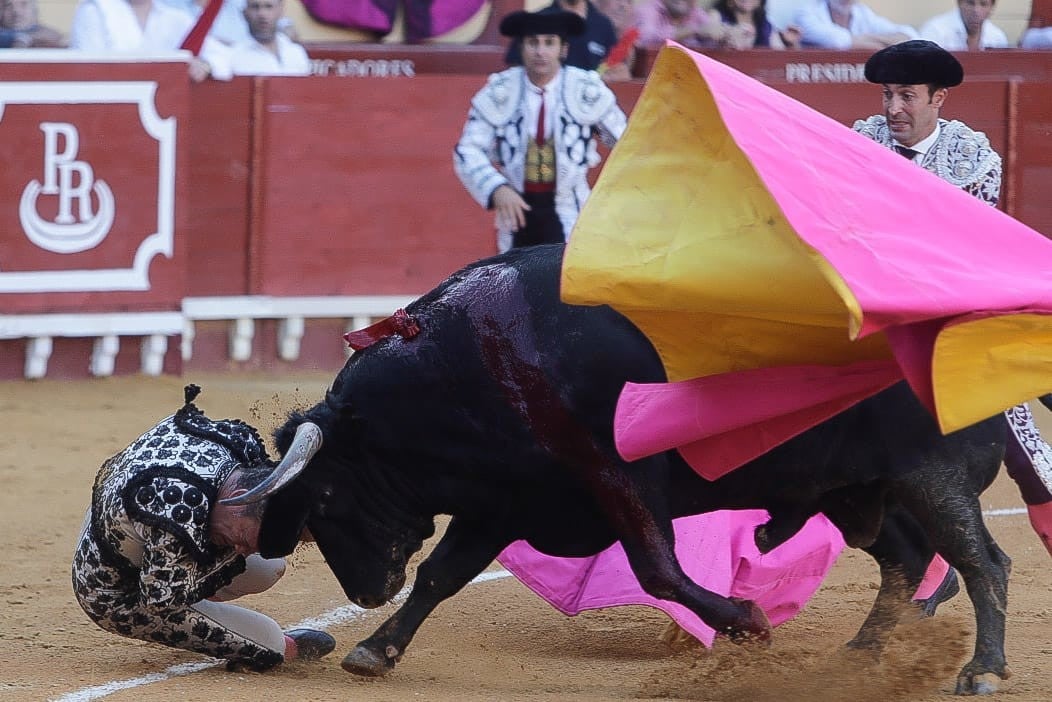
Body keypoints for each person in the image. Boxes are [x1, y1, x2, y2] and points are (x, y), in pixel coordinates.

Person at [853, 39, 1052, 563]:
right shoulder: (860, 140)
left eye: (908, 97)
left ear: (939, 99)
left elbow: (954, 247)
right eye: (887, 95)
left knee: (1014, 433)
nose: (893, 109)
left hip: (953, 307)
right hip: (875, 306)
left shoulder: (973, 158)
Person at [72, 385, 336, 671]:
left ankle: (205, 604)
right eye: (246, 537)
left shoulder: (240, 455)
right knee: (269, 647)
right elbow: (159, 600)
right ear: (237, 502)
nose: (241, 549)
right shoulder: (177, 509)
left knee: (268, 568)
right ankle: (280, 646)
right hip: (112, 589)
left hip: (120, 516)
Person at [454, 9, 628, 253]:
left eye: (549, 43)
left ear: (562, 49)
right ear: (521, 48)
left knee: (565, 283)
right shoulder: (500, 91)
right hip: (516, 208)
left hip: (571, 206)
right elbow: (467, 150)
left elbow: (627, 143)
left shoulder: (585, 89)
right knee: (514, 284)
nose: (540, 51)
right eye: (532, 42)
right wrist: (497, 188)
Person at [69, 0, 233, 82]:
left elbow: (226, 57)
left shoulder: (175, 18)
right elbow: (88, 71)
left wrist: (205, 65)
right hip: (108, 112)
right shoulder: (95, 10)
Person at [505, 0, 618, 72]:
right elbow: (515, 67)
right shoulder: (537, 20)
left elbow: (615, 67)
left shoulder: (604, 25)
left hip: (590, 101)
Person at [228, 0, 309, 75]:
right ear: (244, 13)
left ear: (281, 10)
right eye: (255, 7)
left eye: (269, 6)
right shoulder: (233, 57)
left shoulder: (296, 52)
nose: (262, 14)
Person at [793, 0, 918, 49]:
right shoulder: (806, 13)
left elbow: (908, 35)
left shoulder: (862, 12)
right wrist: (881, 45)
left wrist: (866, 39)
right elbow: (838, 41)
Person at [634, 0, 750, 49]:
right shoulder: (649, 9)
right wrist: (694, 31)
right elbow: (645, 39)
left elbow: (711, 33)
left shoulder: (696, 13)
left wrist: (727, 36)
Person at [920, 0, 1007, 51]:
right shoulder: (935, 30)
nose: (976, 10)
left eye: (983, 4)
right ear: (959, 3)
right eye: (970, 3)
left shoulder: (997, 36)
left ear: (992, 7)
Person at [713, 0, 802, 48]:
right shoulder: (716, 15)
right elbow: (702, 29)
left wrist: (789, 43)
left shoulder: (765, 25)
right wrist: (728, 31)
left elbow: (781, 56)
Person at [594, 0, 638, 81]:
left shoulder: (629, 48)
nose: (622, 6)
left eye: (628, 1)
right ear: (597, 2)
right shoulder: (583, 36)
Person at [0, 0, 66, 47]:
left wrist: (26, 39)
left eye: (24, 4)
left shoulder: (50, 35)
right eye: (8, 5)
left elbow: (61, 39)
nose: (16, 11)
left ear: (34, 10)